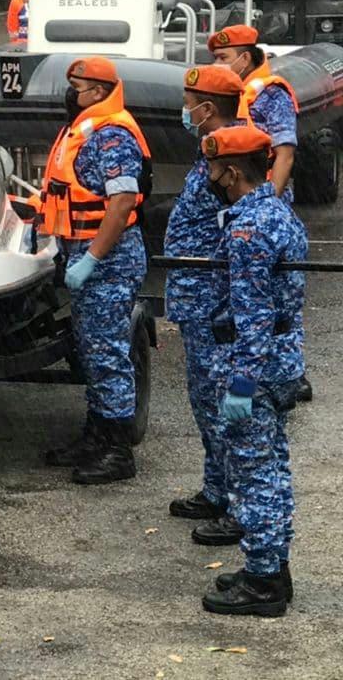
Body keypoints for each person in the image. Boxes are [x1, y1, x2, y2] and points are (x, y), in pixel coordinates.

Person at [200, 124, 305, 618]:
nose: (209, 175)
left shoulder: (247, 228)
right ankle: (272, 566)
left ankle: (263, 583)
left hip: (253, 369)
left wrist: (241, 383)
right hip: (280, 363)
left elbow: (254, 314)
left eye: (214, 166)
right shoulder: (276, 211)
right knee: (273, 470)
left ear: (233, 171)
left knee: (254, 476)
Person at [38, 57, 150, 484]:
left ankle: (117, 451)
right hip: (83, 253)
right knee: (92, 350)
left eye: (78, 87)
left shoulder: (112, 134)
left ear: (100, 92)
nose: (71, 93)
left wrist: (93, 259)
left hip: (109, 260)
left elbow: (121, 203)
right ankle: (96, 436)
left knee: (108, 352)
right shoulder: (82, 128)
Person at [165, 65, 248, 544]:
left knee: (226, 409)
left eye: (188, 99)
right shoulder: (212, 151)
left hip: (216, 302)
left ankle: (238, 505)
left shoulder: (235, 153)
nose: (184, 108)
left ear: (208, 108)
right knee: (204, 402)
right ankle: (217, 490)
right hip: (196, 300)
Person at [208, 25, 312, 403]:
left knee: (281, 291)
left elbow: (284, 152)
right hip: (242, 201)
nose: (218, 64)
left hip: (265, 202)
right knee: (251, 294)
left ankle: (291, 371)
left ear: (246, 57)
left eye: (223, 58)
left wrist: (270, 201)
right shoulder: (233, 95)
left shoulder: (271, 94)